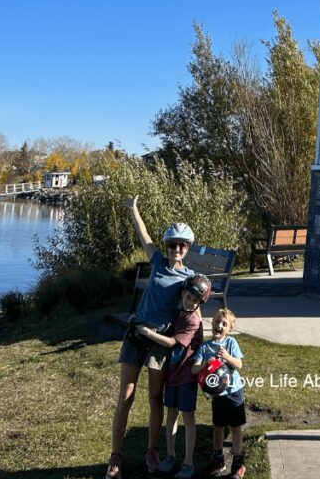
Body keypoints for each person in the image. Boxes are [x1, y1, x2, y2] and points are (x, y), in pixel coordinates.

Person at [105, 200, 196, 479]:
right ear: (166, 246)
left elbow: (196, 310)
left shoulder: (189, 278)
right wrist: (133, 210)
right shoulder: (157, 261)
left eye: (182, 245)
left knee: (155, 398)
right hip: (137, 334)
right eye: (172, 244)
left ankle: (151, 449)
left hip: (159, 341)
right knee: (126, 397)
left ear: (188, 248)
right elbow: (143, 235)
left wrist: (202, 344)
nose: (176, 249)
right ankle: (116, 457)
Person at [138, 273, 211, 479]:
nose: (189, 302)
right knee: (171, 414)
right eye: (187, 296)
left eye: (194, 300)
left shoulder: (193, 321)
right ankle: (170, 455)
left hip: (187, 376)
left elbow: (171, 343)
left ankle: (188, 462)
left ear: (199, 303)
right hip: (172, 374)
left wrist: (147, 332)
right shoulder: (179, 312)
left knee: (187, 417)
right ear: (183, 294)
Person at [192, 307, 247, 479]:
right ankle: (218, 460)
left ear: (230, 328)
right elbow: (194, 369)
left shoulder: (231, 343)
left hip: (234, 392)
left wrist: (227, 357)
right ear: (212, 323)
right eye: (217, 321)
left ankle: (238, 463)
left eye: (225, 324)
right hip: (217, 396)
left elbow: (239, 365)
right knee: (218, 428)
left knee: (236, 427)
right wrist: (202, 365)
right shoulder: (205, 347)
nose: (220, 326)